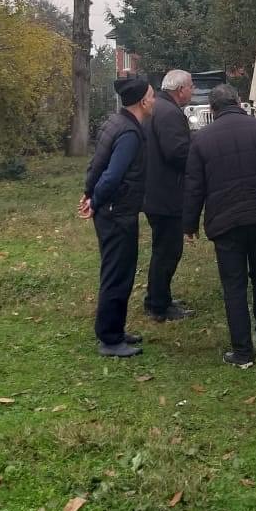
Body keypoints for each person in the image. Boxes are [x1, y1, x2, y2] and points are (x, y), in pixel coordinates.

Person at [183, 84, 256, 368]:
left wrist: (190, 224)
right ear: (239, 101)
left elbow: (194, 187)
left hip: (226, 220)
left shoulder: (202, 140)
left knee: (234, 284)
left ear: (212, 109)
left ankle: (242, 352)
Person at [79, 75, 155, 358]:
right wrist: (96, 200)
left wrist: (89, 193)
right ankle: (110, 339)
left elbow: (96, 162)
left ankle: (115, 329)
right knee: (117, 274)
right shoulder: (130, 134)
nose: (155, 101)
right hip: (117, 213)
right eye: (153, 96)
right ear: (142, 101)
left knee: (117, 270)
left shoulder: (115, 122)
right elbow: (111, 176)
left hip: (112, 210)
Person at [142, 69, 194, 322]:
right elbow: (177, 152)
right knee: (168, 250)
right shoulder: (170, 113)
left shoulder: (158, 108)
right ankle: (159, 305)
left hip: (155, 190)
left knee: (162, 248)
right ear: (180, 90)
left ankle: (157, 296)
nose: (192, 91)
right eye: (191, 87)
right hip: (167, 193)